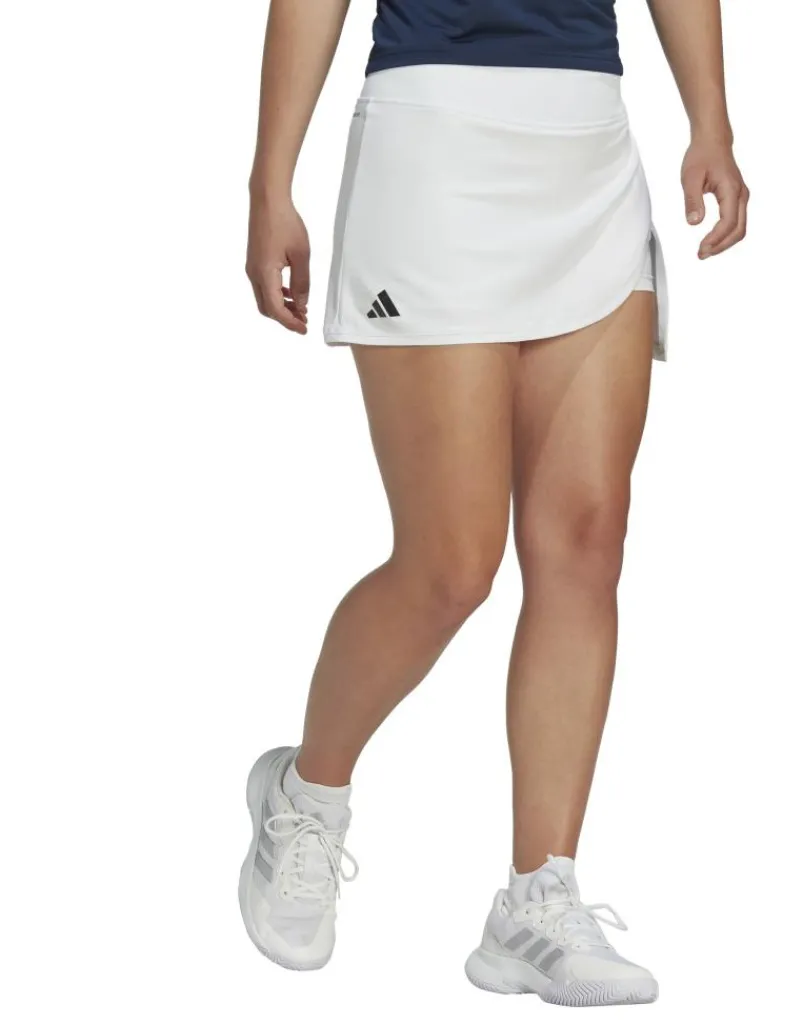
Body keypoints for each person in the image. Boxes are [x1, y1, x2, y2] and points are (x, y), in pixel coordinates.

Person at [240, 0, 748, 1006]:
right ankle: (305, 793)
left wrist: (712, 121)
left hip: (587, 137)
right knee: (451, 563)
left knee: (585, 540)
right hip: (433, 137)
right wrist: (271, 183)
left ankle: (535, 899)